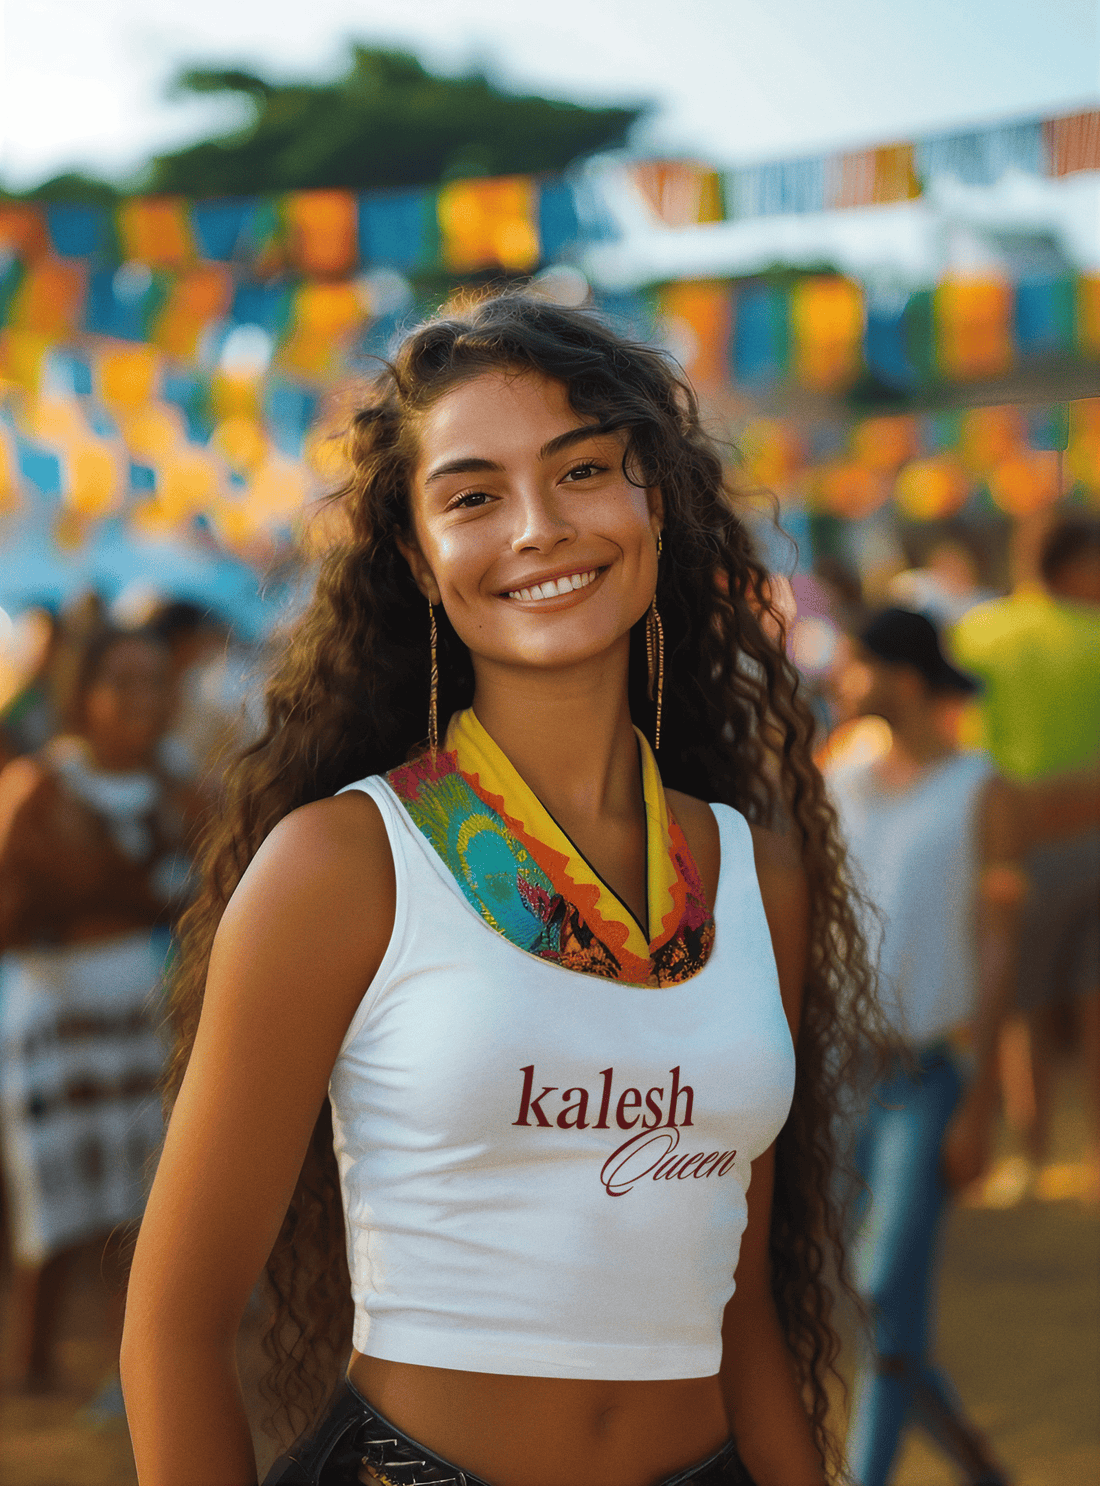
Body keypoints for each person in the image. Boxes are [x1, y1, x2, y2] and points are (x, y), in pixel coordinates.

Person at [122, 295, 878, 1486]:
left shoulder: (750, 870)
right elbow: (173, 1326)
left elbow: (739, 1312)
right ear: (422, 562)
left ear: (655, 504)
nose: (537, 527)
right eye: (473, 494)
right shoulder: (343, 866)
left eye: (582, 470)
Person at [827, 608, 1024, 1486]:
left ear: (903, 679)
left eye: (857, 663)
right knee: (870, 1309)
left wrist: (982, 1105)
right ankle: (979, 1465)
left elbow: (1000, 949)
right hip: (834, 1076)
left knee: (876, 1295)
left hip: (925, 1079)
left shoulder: (986, 790)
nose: (839, 678)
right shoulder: (842, 774)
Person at [0, 623, 200, 1393]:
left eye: (157, 680)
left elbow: (209, 895)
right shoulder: (39, 786)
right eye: (123, 681)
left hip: (145, 1009)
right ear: (82, 694)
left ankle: (130, 1369)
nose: (144, 699)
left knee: (143, 1195)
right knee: (51, 1186)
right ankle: (34, 1363)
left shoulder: (185, 786)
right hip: (55, 1009)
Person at [950, 515, 1100, 1202]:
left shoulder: (978, 633)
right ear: (1075, 564)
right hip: (1090, 838)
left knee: (1020, 1005)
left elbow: (959, 739)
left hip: (1009, 846)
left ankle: (1030, 1155)